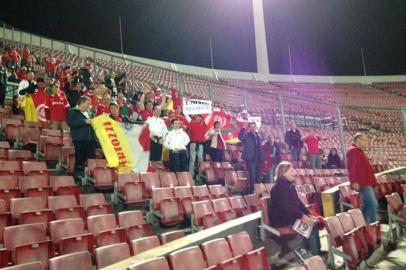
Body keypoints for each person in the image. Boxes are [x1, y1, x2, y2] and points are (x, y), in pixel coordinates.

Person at [269, 161, 322, 256]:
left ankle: (307, 251)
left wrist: (309, 214)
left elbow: (298, 203)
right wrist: (303, 216)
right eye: (291, 170)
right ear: (283, 173)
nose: (295, 172)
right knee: (312, 225)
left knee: (315, 222)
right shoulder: (281, 187)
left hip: (290, 217)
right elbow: (287, 208)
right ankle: (316, 255)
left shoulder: (288, 186)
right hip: (283, 221)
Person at [346, 133, 378, 223]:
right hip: (362, 183)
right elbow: (351, 167)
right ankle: (374, 228)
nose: (366, 142)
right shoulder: (353, 151)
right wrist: (354, 181)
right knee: (372, 204)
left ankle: (363, 226)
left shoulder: (359, 151)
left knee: (367, 206)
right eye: (365, 140)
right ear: (358, 140)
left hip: (366, 182)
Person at [66, 96, 96, 177]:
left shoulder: (90, 113)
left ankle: (91, 174)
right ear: (81, 103)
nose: (89, 106)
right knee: (80, 157)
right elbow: (70, 123)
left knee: (91, 158)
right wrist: (84, 122)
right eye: (87, 104)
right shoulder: (73, 112)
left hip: (91, 140)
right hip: (79, 139)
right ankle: (78, 175)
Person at [184, 111, 212, 175]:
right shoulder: (192, 123)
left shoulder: (204, 124)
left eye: (200, 117)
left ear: (201, 118)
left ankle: (200, 174)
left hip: (200, 144)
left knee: (200, 160)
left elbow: (209, 117)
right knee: (192, 159)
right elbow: (186, 116)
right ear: (196, 118)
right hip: (193, 143)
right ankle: (191, 174)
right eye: (197, 117)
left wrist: (211, 111)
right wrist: (184, 109)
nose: (198, 118)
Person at [238, 122, 264, 193]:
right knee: (252, 177)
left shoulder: (258, 136)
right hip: (251, 159)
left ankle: (258, 192)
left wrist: (262, 158)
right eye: (251, 127)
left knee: (258, 178)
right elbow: (240, 137)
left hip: (258, 159)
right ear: (249, 128)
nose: (253, 128)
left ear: (256, 128)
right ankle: (252, 192)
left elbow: (260, 148)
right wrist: (243, 129)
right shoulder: (247, 135)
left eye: (254, 127)